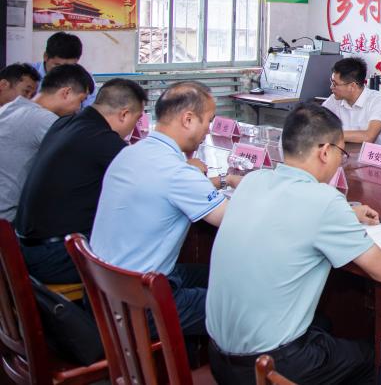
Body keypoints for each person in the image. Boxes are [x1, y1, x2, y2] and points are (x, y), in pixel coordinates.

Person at [206, 103, 381, 385]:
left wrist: (348, 213)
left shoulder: (253, 181)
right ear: (325, 152)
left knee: (324, 326)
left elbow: (286, 211)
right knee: (375, 359)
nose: (340, 161)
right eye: (341, 153)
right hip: (269, 367)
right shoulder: (325, 202)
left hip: (219, 359)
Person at [90, 81, 241, 336]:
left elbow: (178, 188)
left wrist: (225, 180)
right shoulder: (176, 173)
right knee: (245, 307)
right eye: (208, 121)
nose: (208, 129)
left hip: (106, 289)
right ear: (188, 119)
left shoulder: (131, 153)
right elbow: (237, 221)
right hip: (141, 303)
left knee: (218, 274)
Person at [14, 78, 146, 283]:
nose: (133, 127)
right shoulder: (103, 139)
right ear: (124, 114)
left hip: (25, 248)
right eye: (136, 120)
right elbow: (148, 181)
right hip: (55, 257)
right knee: (142, 252)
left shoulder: (63, 123)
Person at [0, 63, 94, 220]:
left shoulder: (11, 108)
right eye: (81, 101)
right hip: (8, 219)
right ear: (66, 93)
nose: (78, 109)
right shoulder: (44, 119)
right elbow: (83, 157)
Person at [322, 57, 381, 144]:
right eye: (331, 82)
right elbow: (317, 123)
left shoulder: (378, 100)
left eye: (335, 84)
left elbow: (369, 136)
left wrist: (332, 135)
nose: (331, 87)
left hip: (373, 152)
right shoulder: (334, 100)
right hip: (345, 151)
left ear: (352, 86)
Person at [32, 31, 98, 108]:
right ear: (45, 56)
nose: (62, 73)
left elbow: (88, 109)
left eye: (68, 68)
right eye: (57, 66)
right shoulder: (26, 74)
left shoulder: (85, 80)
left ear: (77, 61)